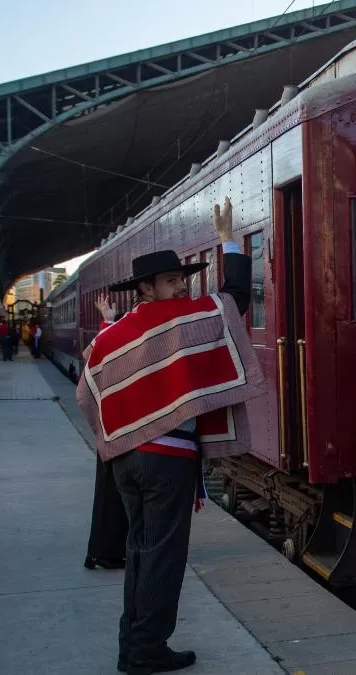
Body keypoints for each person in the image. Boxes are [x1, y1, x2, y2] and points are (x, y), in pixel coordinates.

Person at [76, 198, 265, 675]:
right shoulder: (180, 321)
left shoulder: (111, 336)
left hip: (125, 461)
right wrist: (228, 240)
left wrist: (119, 435)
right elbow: (234, 302)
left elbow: (88, 392)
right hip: (166, 461)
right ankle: (146, 651)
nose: (181, 286)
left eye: (182, 279)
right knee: (163, 555)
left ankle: (132, 643)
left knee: (140, 551)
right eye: (171, 281)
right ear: (146, 288)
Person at [83, 297, 129, 571]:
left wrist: (108, 320)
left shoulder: (109, 350)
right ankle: (107, 551)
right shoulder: (116, 353)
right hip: (117, 432)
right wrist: (109, 320)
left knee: (107, 496)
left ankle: (102, 550)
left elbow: (101, 349)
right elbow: (102, 349)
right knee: (113, 497)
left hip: (109, 431)